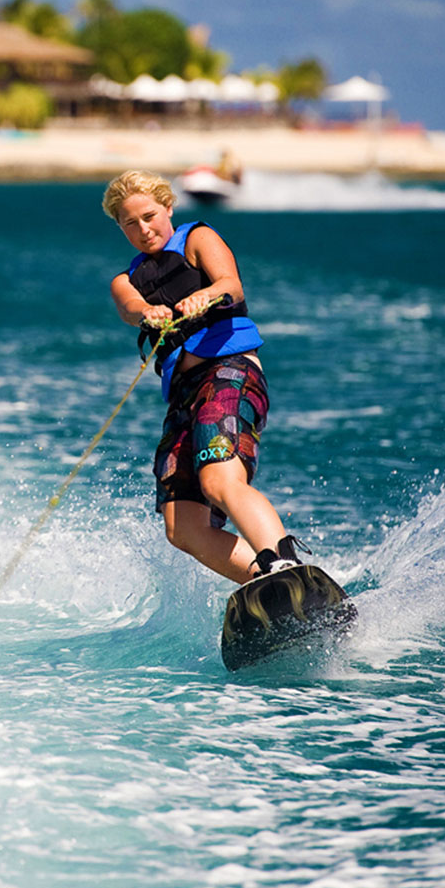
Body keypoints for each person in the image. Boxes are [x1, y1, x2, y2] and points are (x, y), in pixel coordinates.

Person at [103, 169, 308, 585]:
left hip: (228, 372)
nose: (143, 230)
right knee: (182, 525)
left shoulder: (197, 239)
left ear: (168, 208)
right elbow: (129, 307)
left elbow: (232, 286)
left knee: (219, 480)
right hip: (184, 395)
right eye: (131, 223)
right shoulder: (125, 281)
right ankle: (267, 586)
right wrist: (147, 312)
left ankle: (285, 564)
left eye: (150, 216)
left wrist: (207, 294)